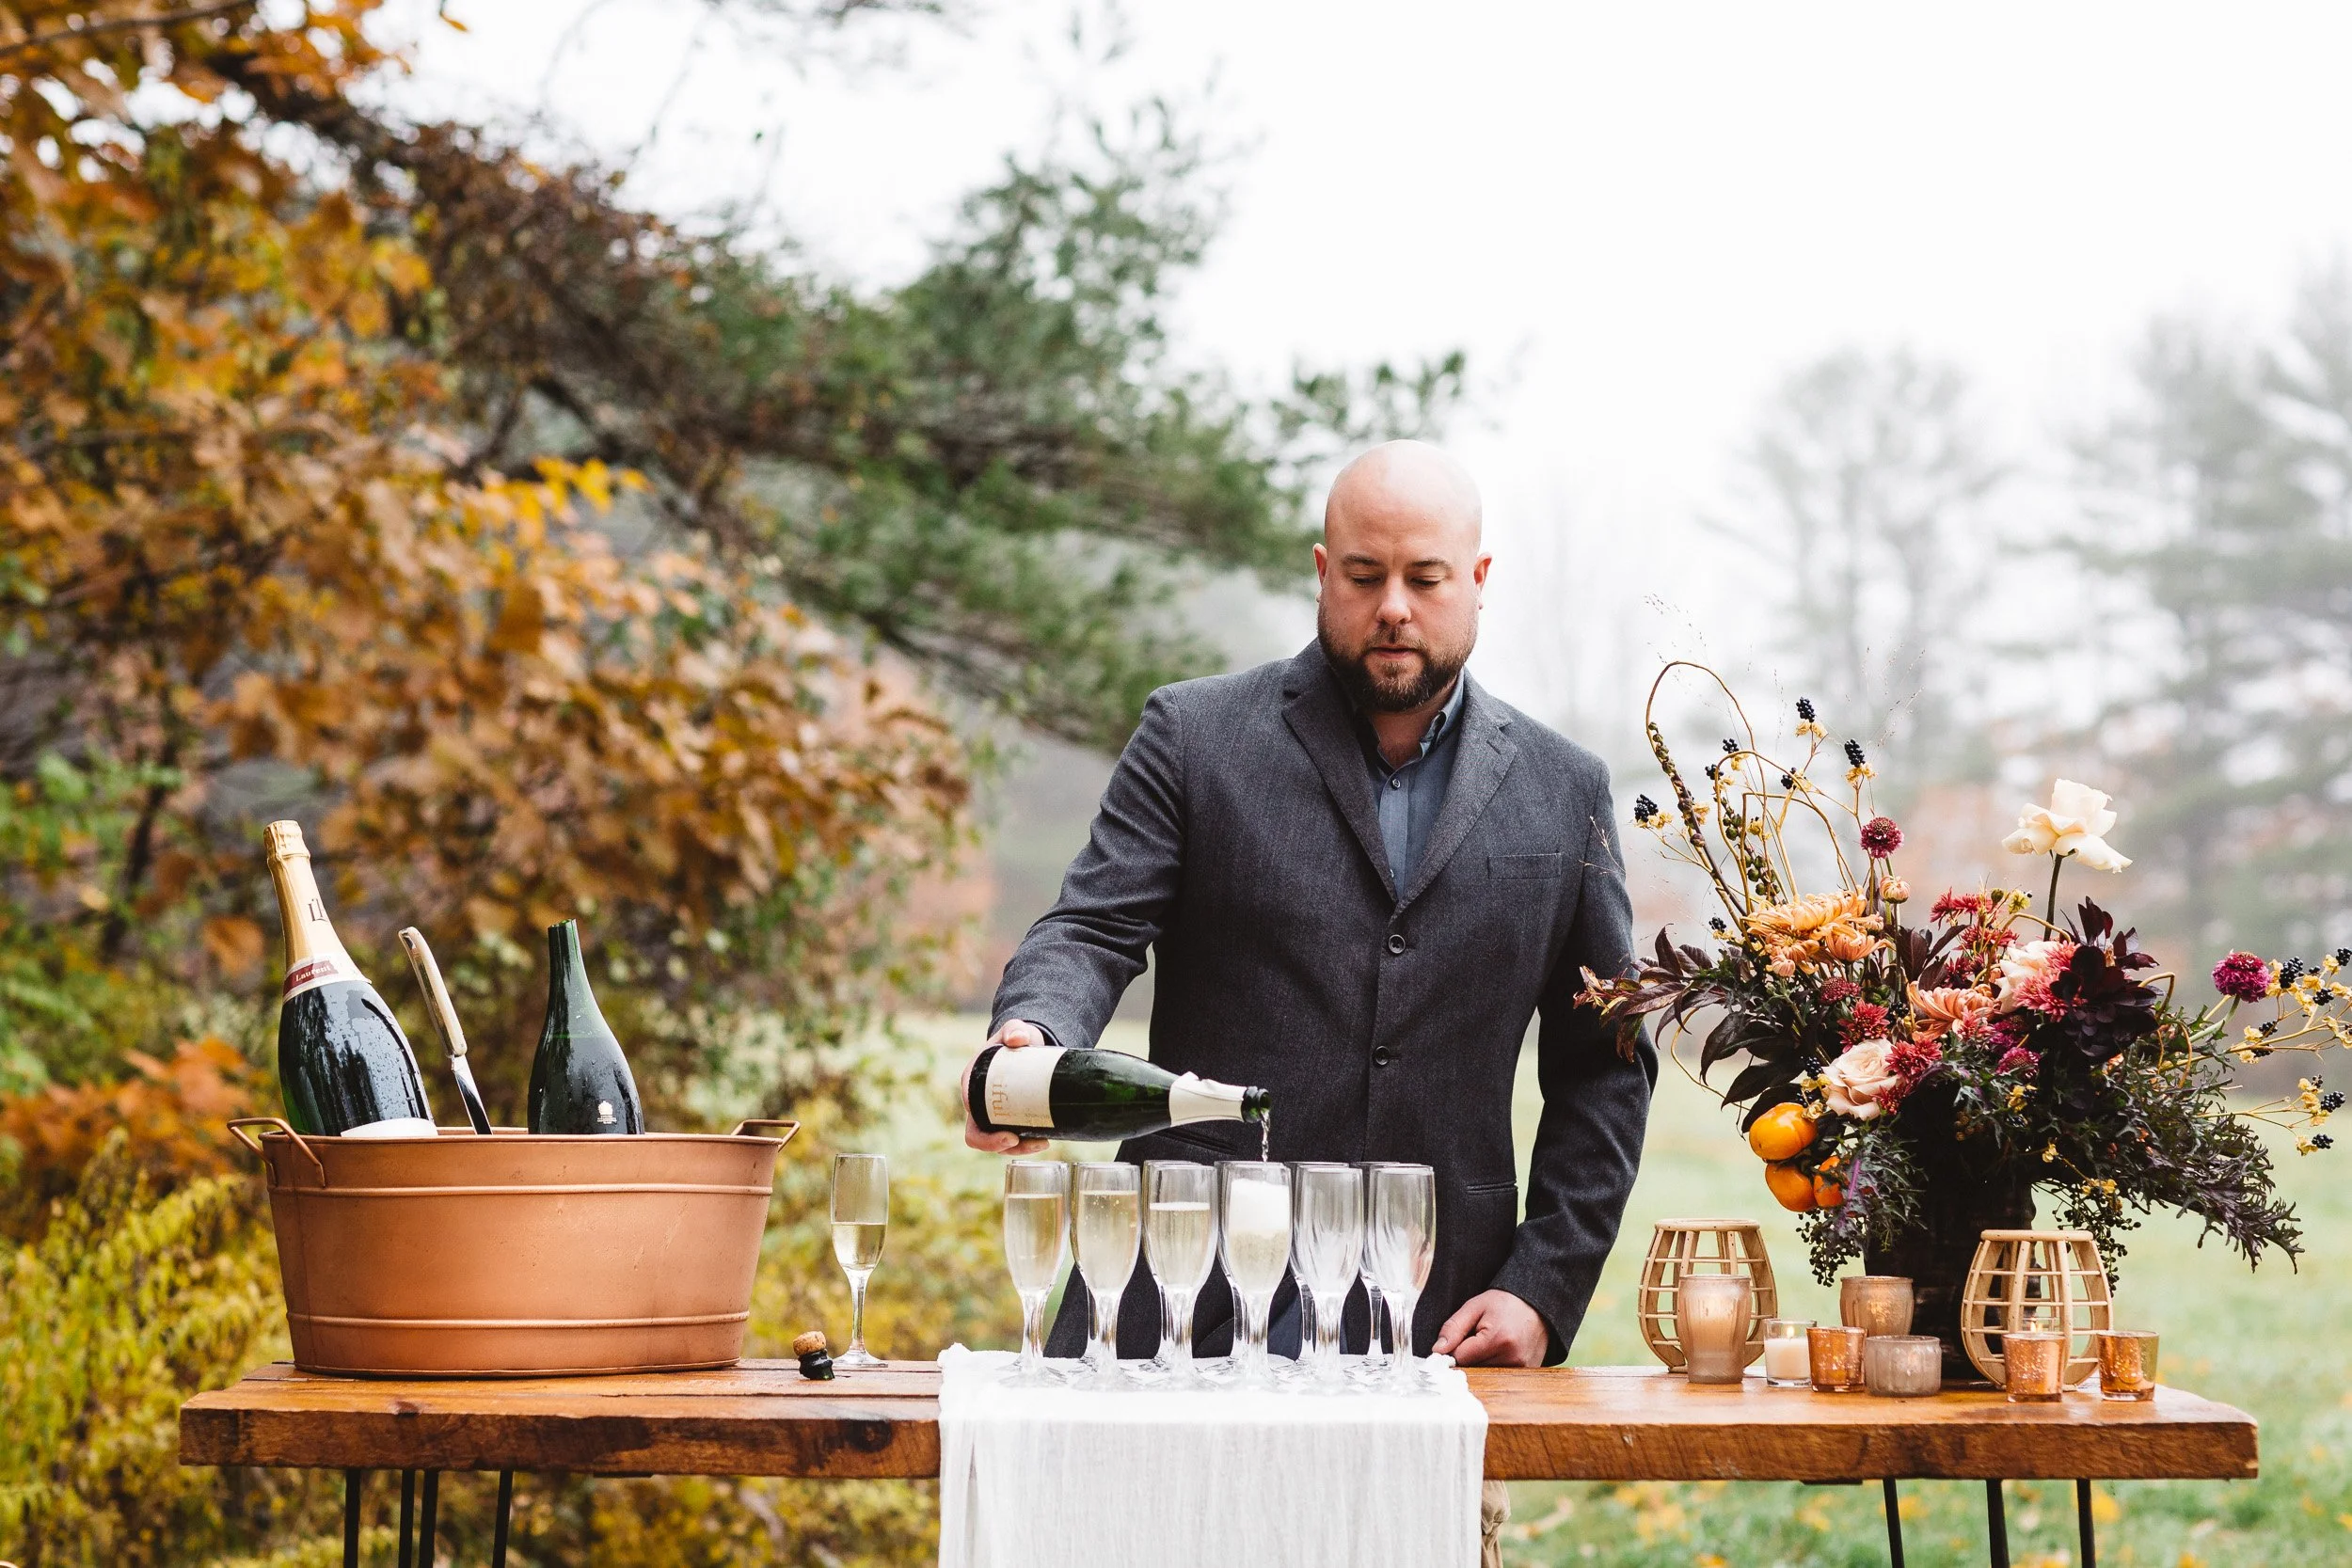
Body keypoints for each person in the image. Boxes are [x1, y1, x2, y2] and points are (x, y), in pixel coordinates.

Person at [967, 440, 1655, 1377]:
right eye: (1366, 576)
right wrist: (1033, 1027)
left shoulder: (1565, 787)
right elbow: (1091, 925)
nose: (1394, 608)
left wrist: (1544, 1282)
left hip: (1440, 1319)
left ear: (1479, 578)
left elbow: (1604, 1069)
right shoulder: (1190, 736)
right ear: (1323, 572)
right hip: (1177, 1293)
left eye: (1426, 577)